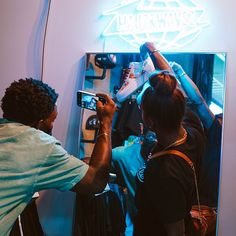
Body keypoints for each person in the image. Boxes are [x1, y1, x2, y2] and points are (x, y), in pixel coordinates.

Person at [0, 78, 116, 235]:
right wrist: (106, 123)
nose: (52, 126)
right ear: (39, 123)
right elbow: (95, 182)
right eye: (52, 120)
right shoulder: (39, 144)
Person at [133, 43, 205, 236]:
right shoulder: (192, 130)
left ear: (149, 121)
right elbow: (172, 86)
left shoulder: (164, 172)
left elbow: (176, 232)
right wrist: (152, 51)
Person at [170, 61, 222, 208]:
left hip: (204, 207)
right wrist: (180, 74)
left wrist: (180, 73)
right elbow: (198, 102)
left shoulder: (220, 135)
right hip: (203, 208)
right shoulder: (220, 136)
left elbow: (199, 102)